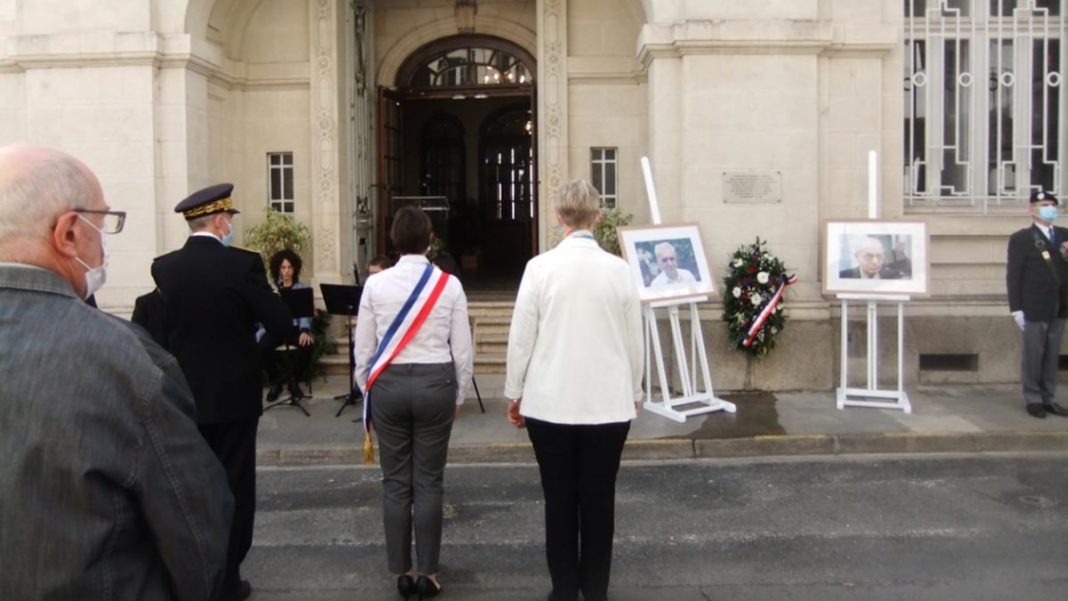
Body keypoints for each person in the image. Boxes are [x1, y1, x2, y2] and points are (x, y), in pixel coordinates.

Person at [0, 144, 233, 600]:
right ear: (68, 233)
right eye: (102, 225)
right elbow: (198, 533)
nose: (104, 244)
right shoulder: (124, 361)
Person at [151, 182, 292, 601]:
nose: (230, 226)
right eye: (228, 219)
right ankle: (227, 580)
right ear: (217, 221)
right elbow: (282, 323)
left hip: (184, 397)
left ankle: (192, 576)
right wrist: (251, 353)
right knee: (234, 490)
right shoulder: (243, 265)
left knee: (190, 489)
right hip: (234, 399)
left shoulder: (164, 267)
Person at [505, 179, 643, 601]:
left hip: (550, 403)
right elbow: (634, 338)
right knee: (600, 500)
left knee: (559, 500)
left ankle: (564, 588)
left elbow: (521, 337)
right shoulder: (619, 270)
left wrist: (515, 390)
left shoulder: (540, 268)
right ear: (598, 218)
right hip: (607, 405)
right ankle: (595, 589)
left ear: (558, 217)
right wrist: (635, 389)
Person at [353, 206, 473, 600]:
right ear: (430, 238)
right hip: (435, 381)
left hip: (388, 384)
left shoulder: (375, 286)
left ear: (393, 240)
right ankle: (429, 573)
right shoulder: (449, 285)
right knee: (429, 481)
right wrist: (458, 392)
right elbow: (462, 349)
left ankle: (401, 571)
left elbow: (364, 350)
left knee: (395, 482)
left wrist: (367, 388)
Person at [1006, 190, 1068, 419]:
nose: (1049, 208)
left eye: (1052, 204)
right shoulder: (1021, 238)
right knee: (1034, 354)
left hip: (1059, 304)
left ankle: (1049, 397)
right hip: (1034, 305)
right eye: (1044, 204)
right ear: (1032, 210)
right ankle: (1033, 398)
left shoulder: (1063, 235)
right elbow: (1014, 275)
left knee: (1052, 354)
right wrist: (1016, 308)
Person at [259, 248, 315, 402]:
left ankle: (294, 381)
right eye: (283, 267)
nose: (286, 271)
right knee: (263, 347)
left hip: (294, 328)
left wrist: (304, 330)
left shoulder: (301, 288)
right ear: (278, 268)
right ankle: (275, 382)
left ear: (294, 268)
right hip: (275, 328)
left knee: (307, 345)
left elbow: (305, 313)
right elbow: (264, 312)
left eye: (289, 267)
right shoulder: (271, 289)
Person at [839, 236, 904, 279]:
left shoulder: (895, 277)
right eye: (869, 256)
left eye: (879, 256)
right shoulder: (843, 276)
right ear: (857, 257)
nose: (875, 262)